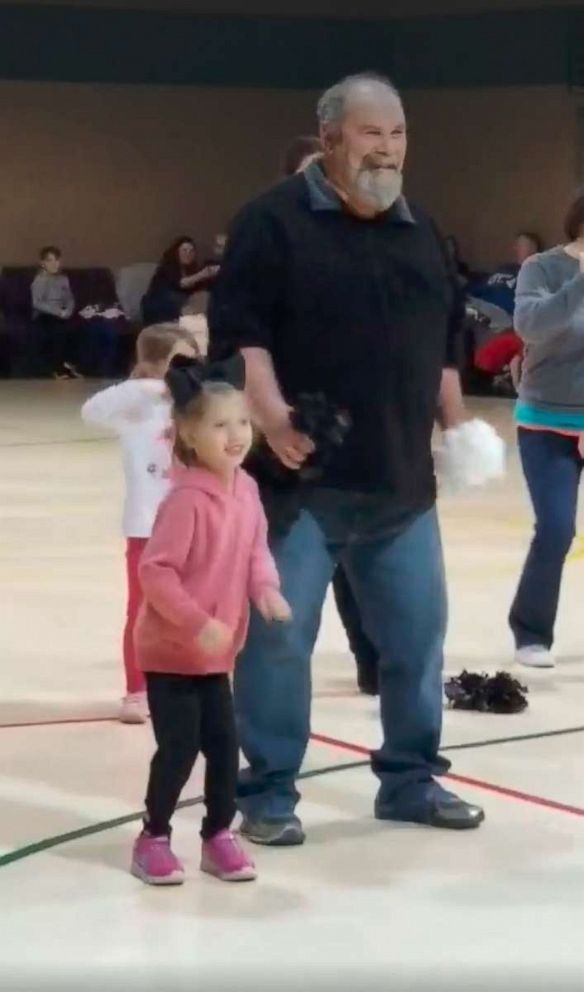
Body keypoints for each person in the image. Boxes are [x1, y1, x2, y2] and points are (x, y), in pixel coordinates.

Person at [209, 71, 486, 845]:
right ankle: (266, 792)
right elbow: (243, 334)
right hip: (300, 485)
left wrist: (459, 428)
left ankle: (409, 780)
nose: (387, 149)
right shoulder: (272, 223)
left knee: (416, 639)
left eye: (397, 134)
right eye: (371, 133)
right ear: (330, 139)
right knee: (279, 642)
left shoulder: (422, 230)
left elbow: (444, 344)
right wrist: (272, 417)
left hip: (401, 485)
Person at [130, 352, 291, 885]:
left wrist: (265, 589)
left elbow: (256, 551)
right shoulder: (185, 501)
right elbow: (156, 572)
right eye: (220, 425)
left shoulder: (245, 490)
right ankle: (153, 835)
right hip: (172, 651)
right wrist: (197, 622)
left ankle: (218, 835)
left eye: (243, 422)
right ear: (188, 434)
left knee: (224, 749)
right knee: (178, 748)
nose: (237, 434)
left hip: (218, 654)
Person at [282, 133, 379, 695]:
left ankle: (371, 659)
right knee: (292, 559)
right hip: (289, 426)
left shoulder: (366, 243)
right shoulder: (271, 241)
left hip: (357, 426)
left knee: (355, 556)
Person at [81, 323, 197, 723]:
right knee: (144, 609)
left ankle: (190, 681)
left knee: (196, 605)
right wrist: (147, 386)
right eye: (177, 361)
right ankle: (137, 690)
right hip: (147, 526)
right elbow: (91, 411)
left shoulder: (197, 403)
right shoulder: (137, 406)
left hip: (194, 524)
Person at [510, 194, 584, 669]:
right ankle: (531, 632)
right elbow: (531, 325)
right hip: (547, 421)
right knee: (556, 528)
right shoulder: (542, 267)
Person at [141, 237, 219, 325]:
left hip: (178, 309)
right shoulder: (166, 268)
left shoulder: (191, 270)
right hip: (159, 306)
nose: (188, 254)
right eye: (184, 250)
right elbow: (181, 283)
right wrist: (203, 274)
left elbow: (196, 289)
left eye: (191, 251)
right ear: (176, 253)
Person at [31, 246, 79, 379]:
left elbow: (70, 298)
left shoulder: (63, 279)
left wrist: (68, 310)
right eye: (49, 260)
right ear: (43, 263)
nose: (54, 264)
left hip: (63, 313)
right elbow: (37, 303)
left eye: (56, 260)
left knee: (75, 326)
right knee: (57, 329)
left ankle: (69, 365)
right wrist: (57, 312)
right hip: (45, 314)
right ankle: (56, 368)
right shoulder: (40, 280)